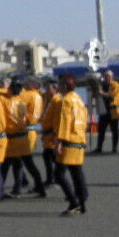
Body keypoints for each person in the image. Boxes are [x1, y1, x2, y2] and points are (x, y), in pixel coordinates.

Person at [50, 75, 90, 214]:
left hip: (69, 140)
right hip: (79, 138)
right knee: (76, 171)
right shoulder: (78, 99)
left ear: (65, 86)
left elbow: (64, 121)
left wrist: (59, 140)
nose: (58, 87)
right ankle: (82, 202)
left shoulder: (65, 100)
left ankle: (73, 202)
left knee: (59, 174)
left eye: (60, 85)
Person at [93, 70, 119, 153]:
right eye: (105, 76)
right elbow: (95, 95)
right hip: (103, 110)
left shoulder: (115, 85)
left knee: (115, 129)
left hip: (114, 110)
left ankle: (114, 148)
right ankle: (99, 147)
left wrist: (102, 93)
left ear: (112, 77)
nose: (107, 78)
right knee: (101, 129)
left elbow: (113, 95)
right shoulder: (101, 85)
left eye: (109, 76)